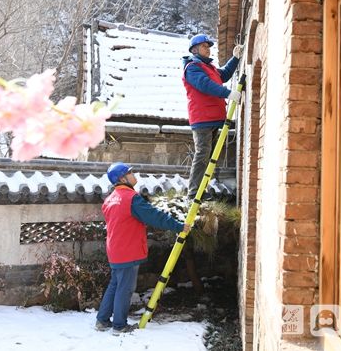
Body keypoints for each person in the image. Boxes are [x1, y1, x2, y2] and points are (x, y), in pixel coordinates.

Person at [95, 162, 190, 335]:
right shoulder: (131, 198)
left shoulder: (110, 199)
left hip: (115, 250)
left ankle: (102, 321)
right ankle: (119, 326)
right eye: (130, 172)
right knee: (125, 288)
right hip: (128, 251)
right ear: (122, 178)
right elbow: (154, 216)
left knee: (115, 285)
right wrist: (178, 226)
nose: (134, 174)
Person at [182, 34, 243, 201]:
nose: (208, 49)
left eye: (208, 46)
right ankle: (194, 193)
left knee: (210, 157)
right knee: (202, 154)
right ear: (194, 50)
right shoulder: (192, 67)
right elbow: (205, 85)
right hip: (202, 118)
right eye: (204, 46)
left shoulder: (210, 68)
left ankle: (202, 190)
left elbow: (223, 75)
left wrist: (235, 58)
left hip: (214, 116)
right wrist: (228, 93)